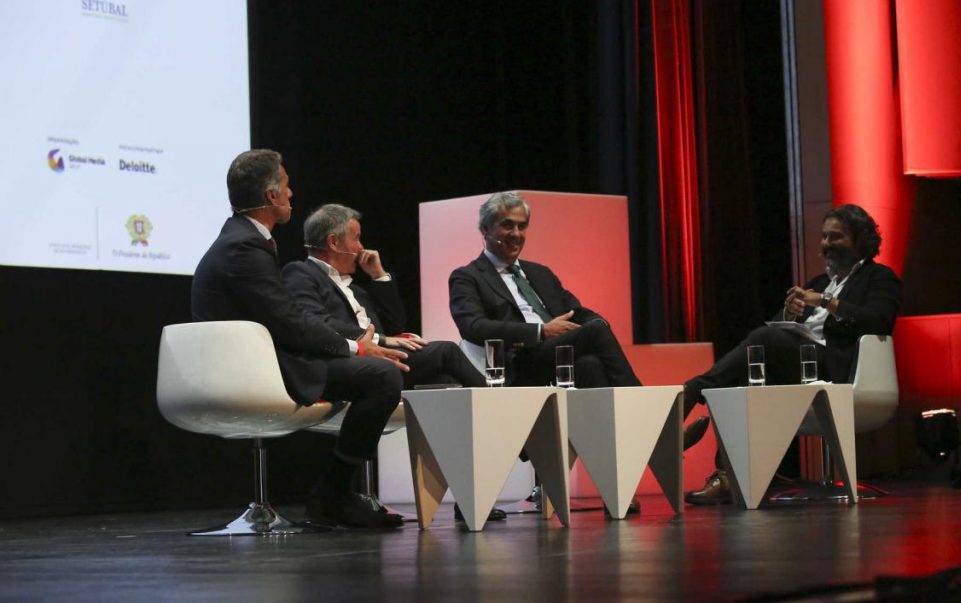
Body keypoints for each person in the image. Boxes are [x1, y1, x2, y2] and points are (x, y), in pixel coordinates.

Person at [191, 149, 409, 529]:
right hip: (252, 370)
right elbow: (290, 323)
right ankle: (333, 496)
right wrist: (356, 347)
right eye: (287, 185)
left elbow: (287, 319)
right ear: (271, 195)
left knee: (382, 372)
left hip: (263, 359)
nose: (292, 193)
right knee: (382, 376)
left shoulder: (244, 239)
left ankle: (335, 496)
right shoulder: (244, 247)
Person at [682, 204, 902, 505]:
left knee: (761, 345)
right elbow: (776, 328)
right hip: (801, 364)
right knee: (750, 378)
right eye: (824, 237)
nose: (826, 244)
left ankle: (695, 390)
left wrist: (824, 302)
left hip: (838, 368)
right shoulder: (820, 282)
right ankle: (729, 476)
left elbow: (879, 320)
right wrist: (791, 312)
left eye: (836, 237)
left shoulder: (879, 278)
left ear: (859, 239)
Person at [448, 191, 643, 389]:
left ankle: (612, 409)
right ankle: (637, 397)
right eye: (507, 225)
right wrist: (541, 331)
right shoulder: (467, 277)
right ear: (485, 229)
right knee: (595, 331)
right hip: (518, 359)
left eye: (522, 226)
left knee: (589, 363)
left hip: (554, 353)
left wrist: (598, 322)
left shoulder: (540, 273)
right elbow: (474, 327)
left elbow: (575, 311)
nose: (516, 234)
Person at [282, 204, 488, 390]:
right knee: (446, 351)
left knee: (444, 380)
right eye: (356, 238)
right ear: (333, 242)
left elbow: (395, 325)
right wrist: (380, 339)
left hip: (379, 356)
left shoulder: (355, 289)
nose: (361, 247)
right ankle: (498, 399)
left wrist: (379, 276)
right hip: (348, 359)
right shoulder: (300, 273)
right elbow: (317, 321)